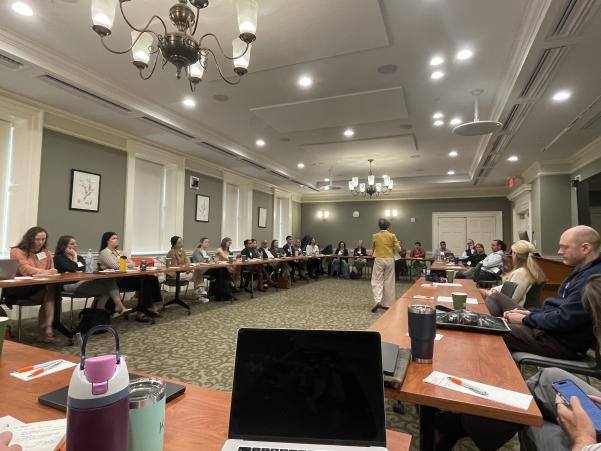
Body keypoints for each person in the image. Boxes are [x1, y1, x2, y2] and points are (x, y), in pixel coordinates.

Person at [486, 225, 601, 359]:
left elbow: (564, 319)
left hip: (560, 342)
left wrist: (526, 319)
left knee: (491, 328)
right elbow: (559, 310)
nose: (559, 252)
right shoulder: (581, 270)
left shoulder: (591, 279)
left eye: (565, 247)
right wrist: (531, 313)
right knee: (496, 298)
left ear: (585, 248)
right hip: (549, 331)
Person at [2, 226, 58, 343]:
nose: (40, 242)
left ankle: (46, 328)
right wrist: (46, 272)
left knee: (50, 290)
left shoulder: (45, 252)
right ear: (29, 238)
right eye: (37, 239)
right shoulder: (17, 251)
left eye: (43, 239)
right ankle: (47, 329)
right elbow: (25, 269)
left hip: (41, 287)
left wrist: (47, 272)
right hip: (20, 287)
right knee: (50, 292)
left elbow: (52, 268)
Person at [54, 235, 130, 317]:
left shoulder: (80, 258)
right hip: (68, 284)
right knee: (108, 289)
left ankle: (102, 312)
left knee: (109, 280)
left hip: (83, 281)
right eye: (72, 244)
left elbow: (84, 269)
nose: (75, 245)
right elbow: (73, 268)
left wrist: (74, 267)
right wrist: (75, 257)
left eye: (75, 243)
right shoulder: (59, 258)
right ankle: (101, 311)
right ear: (64, 246)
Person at [98, 232, 162, 323]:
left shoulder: (120, 252)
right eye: (114, 238)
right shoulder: (104, 252)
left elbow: (132, 263)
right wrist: (124, 264)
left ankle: (149, 307)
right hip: (114, 281)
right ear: (107, 241)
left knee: (151, 278)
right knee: (145, 281)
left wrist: (124, 264)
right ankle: (143, 311)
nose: (117, 240)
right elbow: (116, 266)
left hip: (125, 277)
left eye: (117, 238)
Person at [482, 240, 547, 307]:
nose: (511, 255)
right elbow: (508, 287)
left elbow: (511, 300)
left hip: (516, 312)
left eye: (512, 253)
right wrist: (493, 290)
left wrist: (489, 293)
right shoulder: (530, 270)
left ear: (515, 254)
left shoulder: (521, 273)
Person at [371, 218, 401, 312]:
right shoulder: (392, 235)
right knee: (389, 281)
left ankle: (378, 301)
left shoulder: (375, 236)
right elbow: (399, 249)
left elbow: (373, 248)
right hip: (389, 259)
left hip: (379, 258)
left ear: (379, 226)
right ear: (388, 226)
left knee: (377, 280)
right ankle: (388, 303)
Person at [211, 237, 235, 301]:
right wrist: (233, 260)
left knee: (227, 271)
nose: (230, 244)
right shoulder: (219, 249)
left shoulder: (228, 251)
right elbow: (225, 258)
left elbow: (228, 261)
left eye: (231, 243)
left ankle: (227, 293)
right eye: (229, 242)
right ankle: (226, 293)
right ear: (224, 242)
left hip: (223, 268)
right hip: (215, 269)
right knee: (225, 273)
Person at [191, 237, 210, 302]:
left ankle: (217, 292)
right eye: (206, 242)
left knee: (220, 270)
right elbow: (200, 261)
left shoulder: (206, 252)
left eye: (208, 242)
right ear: (201, 243)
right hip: (200, 270)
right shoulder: (197, 251)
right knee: (219, 271)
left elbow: (210, 261)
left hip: (207, 269)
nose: (208, 243)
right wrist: (209, 261)